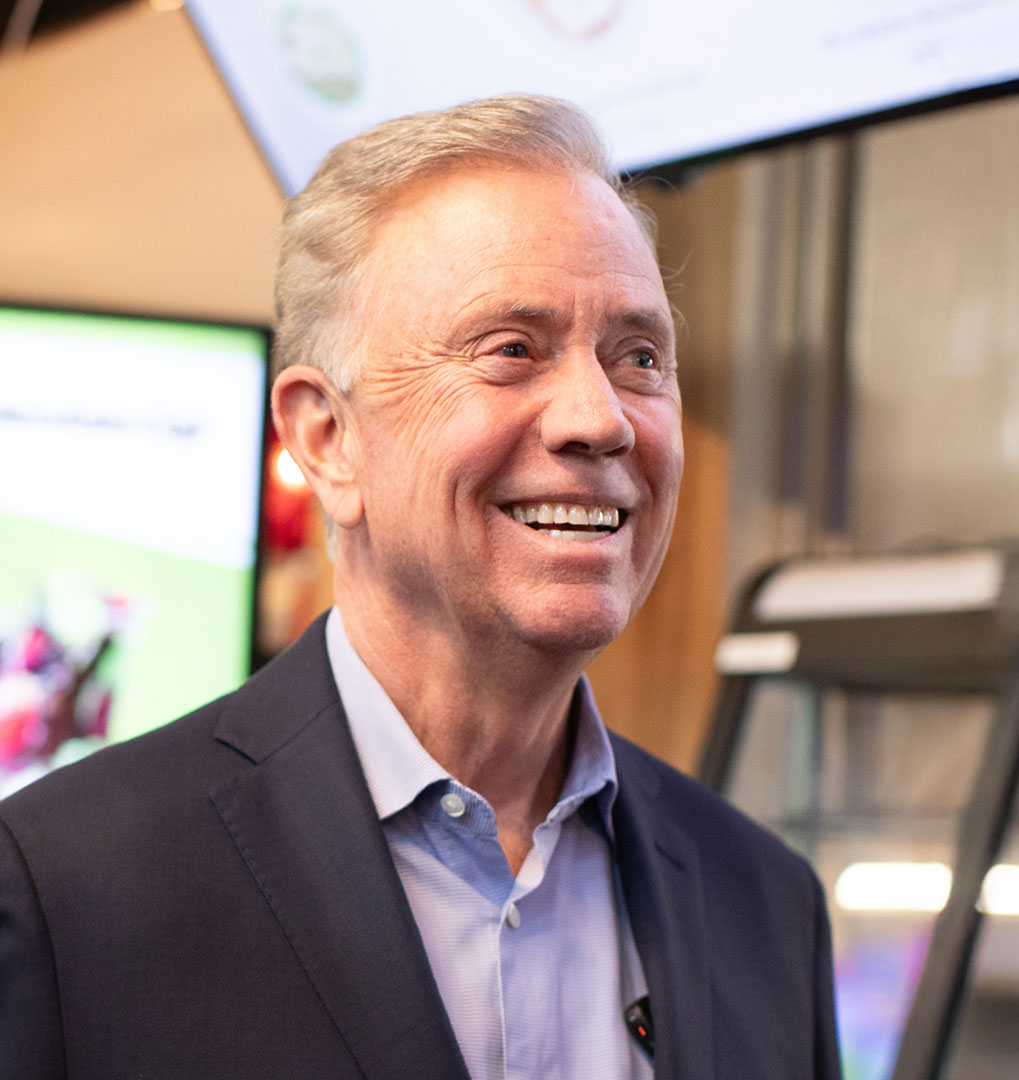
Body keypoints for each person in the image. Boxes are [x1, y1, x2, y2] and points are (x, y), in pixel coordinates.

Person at [0, 94, 840, 1080]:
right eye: (512, 349)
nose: (601, 418)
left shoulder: (766, 906)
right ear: (327, 439)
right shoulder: (66, 887)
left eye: (639, 357)